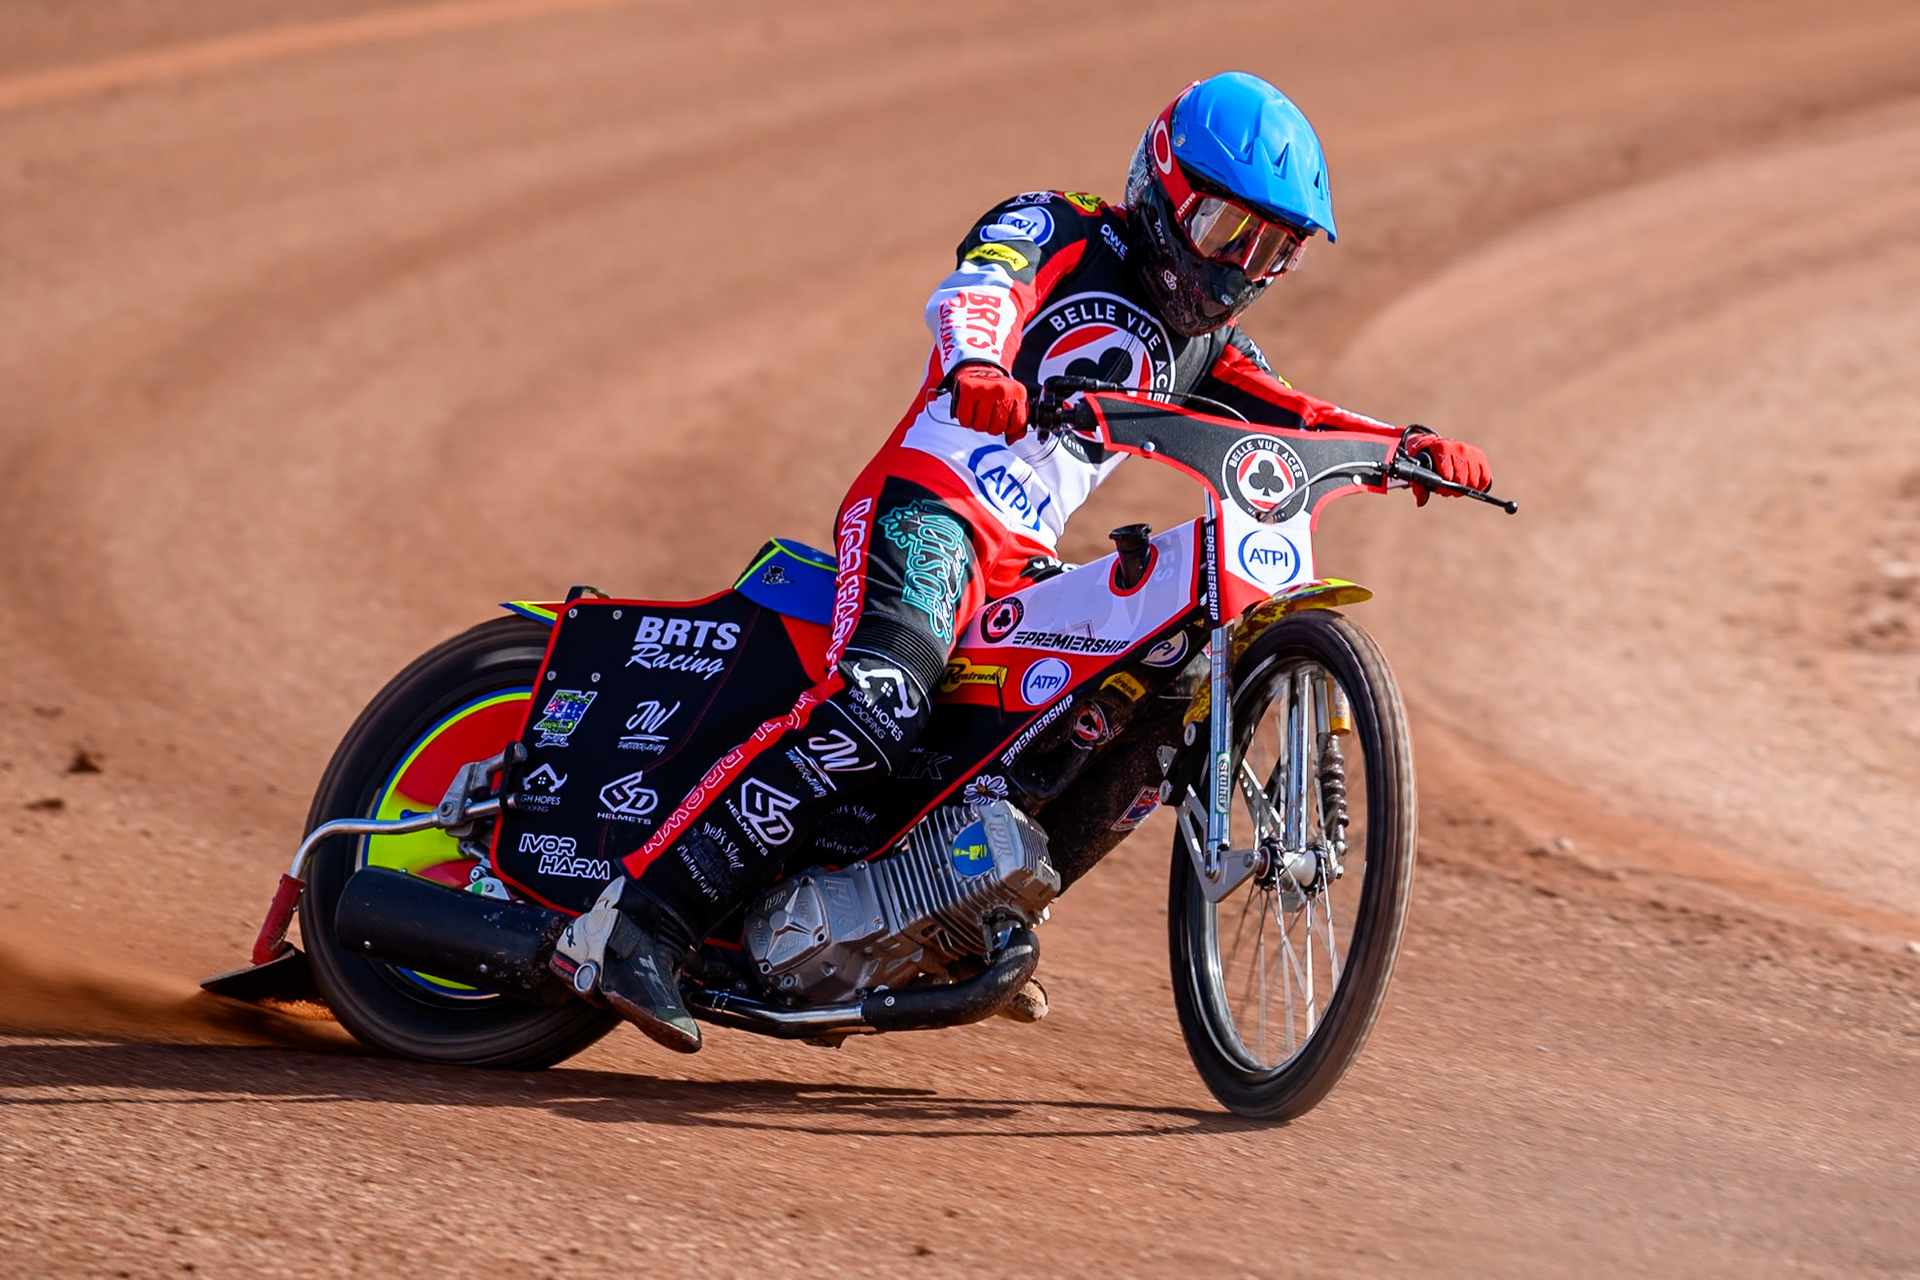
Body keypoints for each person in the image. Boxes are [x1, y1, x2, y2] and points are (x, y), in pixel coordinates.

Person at [554, 71, 1493, 1052]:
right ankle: (637, 923)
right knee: (882, 693)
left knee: (1148, 693)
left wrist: (1405, 447)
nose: (1238, 267)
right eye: (1225, 231)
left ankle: (963, 919)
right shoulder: (1060, 226)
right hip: (929, 508)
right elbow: (983, 287)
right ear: (1165, 184)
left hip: (1021, 562)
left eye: (1272, 250)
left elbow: (1299, 417)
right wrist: (980, 366)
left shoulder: (1207, 346)